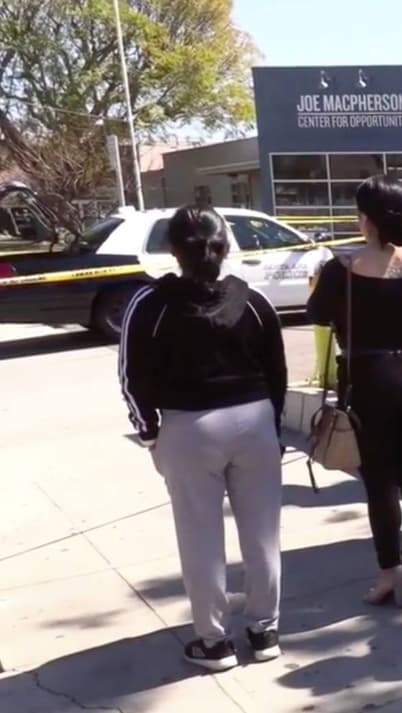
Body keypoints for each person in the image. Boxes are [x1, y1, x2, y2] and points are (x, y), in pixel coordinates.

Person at [118, 205, 286, 671]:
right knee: (263, 533)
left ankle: (214, 642)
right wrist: (271, 427)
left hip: (188, 428)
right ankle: (265, 630)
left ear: (173, 250)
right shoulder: (254, 301)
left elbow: (132, 375)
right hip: (254, 420)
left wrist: (150, 433)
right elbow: (277, 371)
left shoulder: (149, 304)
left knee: (200, 538)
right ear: (225, 247)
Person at [307, 175, 402, 608]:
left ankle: (390, 571)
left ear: (366, 219)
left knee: (380, 479)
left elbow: (317, 313)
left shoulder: (342, 269)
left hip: (371, 376)